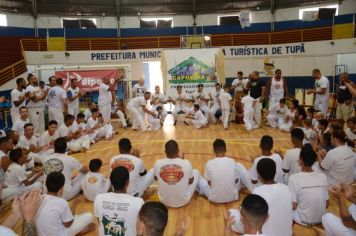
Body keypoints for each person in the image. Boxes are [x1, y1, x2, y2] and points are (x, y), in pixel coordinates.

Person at [233, 158, 292, 236]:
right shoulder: (287, 189)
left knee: (232, 213)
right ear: (275, 172)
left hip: (263, 232)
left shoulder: (258, 191)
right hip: (287, 233)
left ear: (259, 176)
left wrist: (241, 208)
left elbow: (250, 216)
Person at [35, 172, 94, 236]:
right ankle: (80, 231)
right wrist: (75, 203)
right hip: (61, 233)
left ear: (46, 185)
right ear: (61, 189)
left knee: (67, 216)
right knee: (89, 216)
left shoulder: (38, 198)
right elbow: (68, 224)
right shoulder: (61, 202)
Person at [94, 166, 144, 236]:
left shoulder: (99, 198)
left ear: (110, 182)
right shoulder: (138, 202)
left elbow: (100, 221)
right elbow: (140, 231)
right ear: (128, 182)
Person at [198, 139, 251, 203]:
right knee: (239, 166)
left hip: (214, 198)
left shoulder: (209, 163)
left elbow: (209, 183)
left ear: (213, 151)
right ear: (226, 150)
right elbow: (236, 181)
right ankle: (249, 185)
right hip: (233, 197)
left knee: (198, 176)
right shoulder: (232, 161)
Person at [288, 144, 328, 226]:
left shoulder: (293, 178)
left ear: (300, 161)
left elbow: (293, 206)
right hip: (321, 219)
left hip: (302, 220)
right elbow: (327, 204)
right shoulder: (323, 176)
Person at [153, 140, 200, 208]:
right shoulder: (186, 162)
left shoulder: (158, 163)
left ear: (165, 151)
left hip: (163, 200)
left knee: (154, 170)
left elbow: (156, 178)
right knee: (196, 171)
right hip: (184, 200)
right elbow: (190, 182)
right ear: (178, 151)